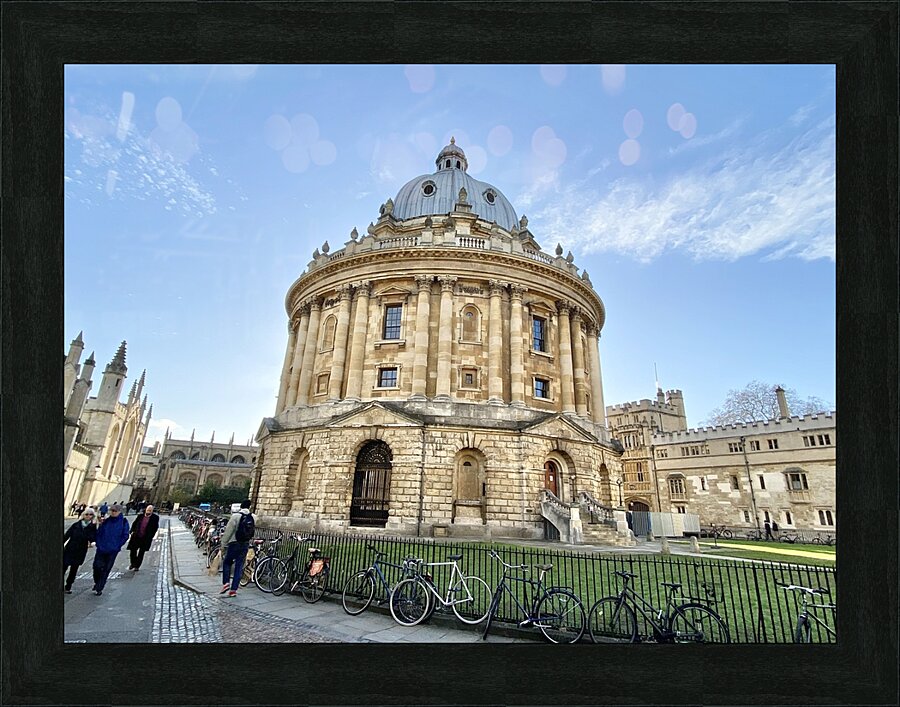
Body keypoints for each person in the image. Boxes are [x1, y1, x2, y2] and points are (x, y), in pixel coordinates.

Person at [91, 503, 129, 596]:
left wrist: (118, 545)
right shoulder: (106, 521)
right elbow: (99, 532)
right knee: (96, 566)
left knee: (106, 568)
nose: (113, 512)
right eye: (111, 511)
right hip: (101, 548)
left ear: (119, 512)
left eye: (115, 511)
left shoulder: (123, 521)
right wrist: (98, 542)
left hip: (112, 550)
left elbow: (125, 535)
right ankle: (97, 582)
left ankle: (100, 587)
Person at [219, 499, 254, 597]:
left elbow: (228, 532)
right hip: (245, 544)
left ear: (241, 507)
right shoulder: (253, 517)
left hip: (234, 543)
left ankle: (226, 583)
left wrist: (223, 544)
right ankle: (233, 590)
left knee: (227, 562)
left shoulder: (235, 516)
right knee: (239, 567)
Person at [64, 507, 97, 593]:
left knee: (73, 570)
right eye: (86, 514)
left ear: (93, 516)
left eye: (90, 515)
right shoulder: (76, 525)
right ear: (83, 515)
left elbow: (93, 538)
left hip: (80, 551)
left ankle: (68, 586)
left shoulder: (92, 527)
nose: (88, 516)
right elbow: (67, 535)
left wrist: (92, 541)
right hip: (70, 548)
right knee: (63, 567)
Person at [127, 504, 160, 571]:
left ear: (152, 511)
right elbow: (135, 523)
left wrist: (151, 536)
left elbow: (155, 528)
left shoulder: (155, 518)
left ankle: (137, 566)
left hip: (145, 538)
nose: (149, 511)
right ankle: (133, 563)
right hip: (136, 536)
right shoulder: (140, 516)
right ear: (146, 510)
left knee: (141, 553)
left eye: (150, 510)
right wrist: (132, 531)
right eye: (148, 510)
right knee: (133, 551)